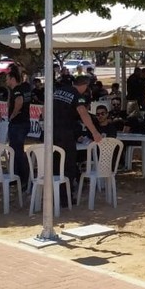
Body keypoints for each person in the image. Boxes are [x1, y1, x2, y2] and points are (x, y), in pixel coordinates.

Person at [54, 75, 103, 206]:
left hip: (51, 133)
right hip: (65, 134)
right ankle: (65, 199)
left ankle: (53, 196)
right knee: (68, 166)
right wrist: (95, 132)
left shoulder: (58, 91)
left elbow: (44, 109)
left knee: (55, 165)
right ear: (85, 86)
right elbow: (83, 112)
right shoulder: (77, 95)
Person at [4, 66, 32, 186]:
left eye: (7, 78)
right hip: (24, 122)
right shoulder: (25, 87)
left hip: (18, 123)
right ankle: (17, 175)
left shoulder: (17, 90)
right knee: (16, 150)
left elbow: (19, 101)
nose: (6, 81)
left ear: (12, 78)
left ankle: (23, 177)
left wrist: (13, 115)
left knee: (17, 151)